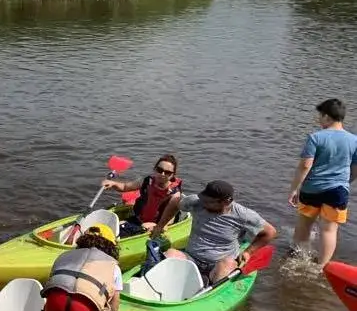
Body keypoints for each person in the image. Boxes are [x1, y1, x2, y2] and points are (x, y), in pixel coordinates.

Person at [149, 180, 277, 284]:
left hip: (219, 264)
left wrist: (248, 252)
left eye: (208, 202)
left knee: (226, 265)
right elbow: (175, 203)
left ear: (226, 202)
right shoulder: (196, 202)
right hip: (192, 257)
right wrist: (160, 226)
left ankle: (209, 287)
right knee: (170, 254)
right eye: (203, 199)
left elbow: (270, 232)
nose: (203, 203)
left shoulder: (243, 215)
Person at [287, 98, 357, 267]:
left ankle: (298, 258)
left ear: (326, 116)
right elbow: (356, 168)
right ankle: (321, 266)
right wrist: (346, 182)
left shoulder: (315, 137)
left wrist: (294, 189)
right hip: (338, 191)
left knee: (304, 224)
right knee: (329, 229)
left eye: (320, 116)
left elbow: (305, 165)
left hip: (312, 189)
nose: (319, 120)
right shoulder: (354, 140)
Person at [101, 154, 183, 237]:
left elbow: (169, 220)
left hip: (155, 224)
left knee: (118, 232)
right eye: (159, 170)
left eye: (167, 172)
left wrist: (156, 226)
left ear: (173, 175)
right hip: (139, 219)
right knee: (113, 226)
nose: (162, 174)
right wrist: (113, 183)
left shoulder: (175, 195)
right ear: (155, 169)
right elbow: (125, 187)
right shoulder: (147, 181)